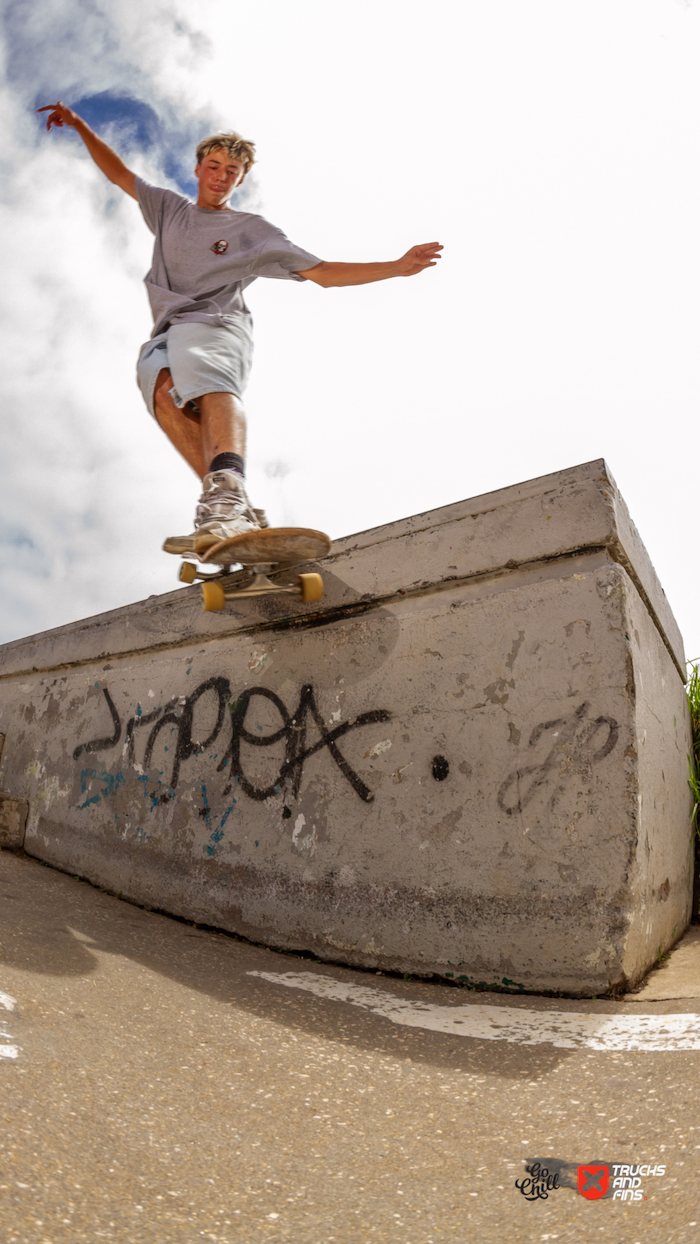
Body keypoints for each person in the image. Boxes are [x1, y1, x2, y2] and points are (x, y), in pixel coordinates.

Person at [38, 101, 443, 555]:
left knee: (206, 377)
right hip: (169, 330)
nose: (220, 176)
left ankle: (228, 497)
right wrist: (79, 126)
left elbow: (323, 271)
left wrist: (396, 267)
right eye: (214, 166)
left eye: (231, 171)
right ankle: (230, 508)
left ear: (241, 179)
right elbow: (119, 174)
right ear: (198, 168)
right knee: (159, 387)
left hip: (217, 323)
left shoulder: (253, 231)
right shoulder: (169, 209)